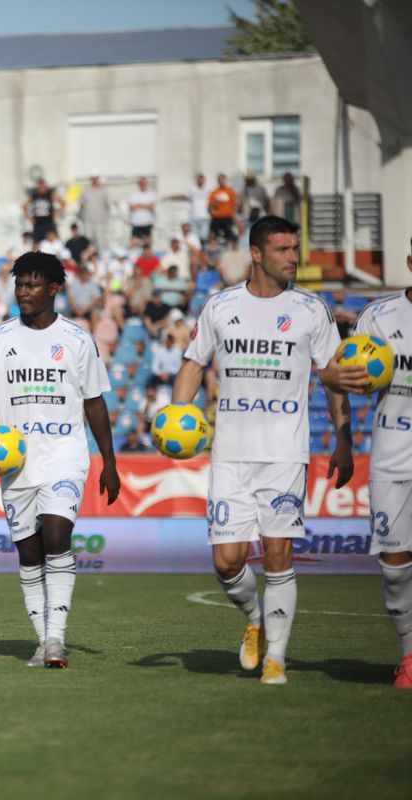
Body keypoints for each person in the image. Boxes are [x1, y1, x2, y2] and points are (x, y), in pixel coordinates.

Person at [171, 215, 367, 686]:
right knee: (227, 562)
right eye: (283, 249)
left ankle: (276, 657)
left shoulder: (311, 310)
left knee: (278, 554)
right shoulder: (221, 307)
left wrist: (343, 437)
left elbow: (335, 376)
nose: (294, 257)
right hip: (231, 453)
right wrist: (177, 414)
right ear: (256, 254)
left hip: (284, 453)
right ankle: (256, 619)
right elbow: (194, 364)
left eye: (295, 248)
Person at [0, 251, 120, 669]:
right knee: (29, 554)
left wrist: (109, 460)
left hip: (65, 455)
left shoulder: (77, 339)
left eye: (32, 285)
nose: (23, 292)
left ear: (53, 288)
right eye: (19, 285)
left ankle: (55, 640)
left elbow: (95, 403)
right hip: (15, 463)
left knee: (56, 537)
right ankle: (41, 640)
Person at [351, 240, 412, 688]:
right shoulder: (379, 317)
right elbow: (352, 377)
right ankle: (409, 653)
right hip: (391, 456)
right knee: (394, 567)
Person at [167, 173, 212, 244]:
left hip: (205, 217)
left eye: (202, 179)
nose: (200, 181)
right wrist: (170, 197)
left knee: (204, 236)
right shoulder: (192, 189)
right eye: (199, 179)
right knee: (195, 238)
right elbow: (183, 196)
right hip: (194, 218)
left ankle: (203, 251)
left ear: (204, 180)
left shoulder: (209, 188)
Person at [24, 178, 64, 243]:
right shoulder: (34, 196)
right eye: (40, 186)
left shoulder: (50, 194)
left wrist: (57, 213)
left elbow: (63, 204)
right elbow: (24, 206)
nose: (42, 188)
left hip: (48, 222)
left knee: (53, 242)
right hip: (38, 223)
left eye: (43, 186)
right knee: (37, 244)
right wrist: (29, 217)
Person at [79, 173, 110, 251]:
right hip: (88, 220)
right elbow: (81, 204)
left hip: (100, 221)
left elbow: (108, 204)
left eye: (96, 178)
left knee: (101, 241)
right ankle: (91, 258)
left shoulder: (103, 190)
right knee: (89, 241)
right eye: (92, 178)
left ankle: (102, 258)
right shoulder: (85, 191)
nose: (94, 180)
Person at [208, 174, 238, 244]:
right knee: (213, 234)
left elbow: (234, 204)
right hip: (216, 217)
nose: (221, 182)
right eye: (220, 180)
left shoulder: (230, 191)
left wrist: (234, 215)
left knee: (229, 235)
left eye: (223, 180)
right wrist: (215, 204)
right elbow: (210, 206)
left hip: (227, 217)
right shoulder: (214, 192)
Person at [127, 176, 156, 241]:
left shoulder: (150, 194)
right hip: (136, 222)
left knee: (147, 241)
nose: (143, 185)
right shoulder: (133, 194)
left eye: (145, 183)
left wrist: (139, 205)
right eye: (142, 183)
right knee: (134, 241)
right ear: (139, 184)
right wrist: (145, 205)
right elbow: (132, 207)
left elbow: (151, 206)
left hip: (147, 221)